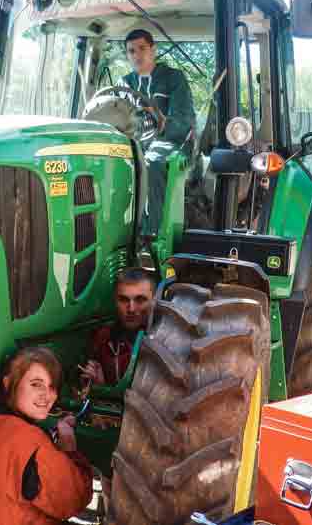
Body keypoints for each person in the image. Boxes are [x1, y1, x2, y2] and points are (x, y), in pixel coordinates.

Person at [0, 347, 93, 525]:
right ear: (8, 383)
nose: (47, 395)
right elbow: (74, 500)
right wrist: (68, 447)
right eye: (36, 384)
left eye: (52, 386)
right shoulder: (31, 445)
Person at [119, 29, 196, 234]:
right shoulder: (124, 84)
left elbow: (183, 121)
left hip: (171, 142)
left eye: (142, 48)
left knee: (151, 162)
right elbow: (115, 113)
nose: (137, 55)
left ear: (153, 49)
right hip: (135, 143)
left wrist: (160, 121)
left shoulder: (173, 78)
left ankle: (152, 235)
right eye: (131, 51)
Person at [80, 268, 157, 386]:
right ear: (115, 301)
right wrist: (97, 385)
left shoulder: (165, 341)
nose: (131, 309)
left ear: (154, 301)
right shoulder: (103, 338)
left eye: (140, 300)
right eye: (123, 300)